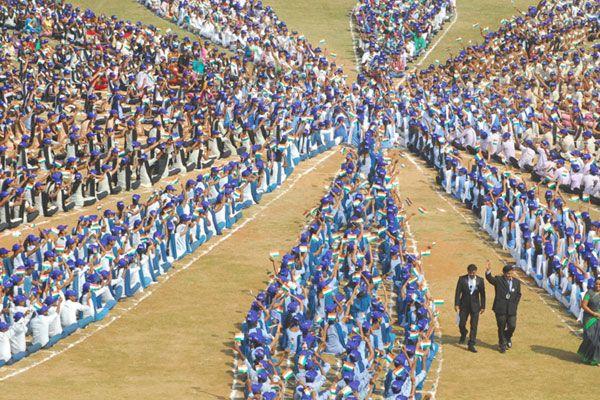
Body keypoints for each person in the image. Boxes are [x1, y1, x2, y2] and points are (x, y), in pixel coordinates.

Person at [485, 263, 522, 353]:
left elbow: (518, 294)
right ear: (504, 273)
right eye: (508, 273)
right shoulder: (499, 280)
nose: (510, 275)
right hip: (500, 308)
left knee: (512, 326)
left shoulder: (516, 282)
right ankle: (502, 345)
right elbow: (490, 279)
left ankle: (507, 338)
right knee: (501, 327)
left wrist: (515, 304)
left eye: (511, 273)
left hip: (511, 309)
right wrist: (488, 272)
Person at [454, 264, 486, 352]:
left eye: (473, 272)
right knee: (461, 323)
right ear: (467, 272)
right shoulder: (462, 279)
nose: (472, 274)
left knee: (474, 325)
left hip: (475, 306)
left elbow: (482, 294)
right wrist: (456, 304)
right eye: (470, 272)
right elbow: (458, 292)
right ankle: (464, 333)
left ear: (476, 271)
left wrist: (483, 306)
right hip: (464, 305)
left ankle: (471, 344)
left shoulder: (480, 280)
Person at [577, 279, 600, 365]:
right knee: (590, 339)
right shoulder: (589, 293)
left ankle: (595, 359)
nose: (597, 286)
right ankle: (586, 356)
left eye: (599, 284)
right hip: (589, 318)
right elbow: (583, 305)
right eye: (596, 284)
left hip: (599, 319)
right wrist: (594, 313)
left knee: (598, 340)